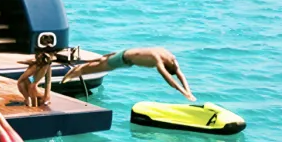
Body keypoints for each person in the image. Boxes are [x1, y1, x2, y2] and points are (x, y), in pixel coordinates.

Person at [62, 47, 195, 100]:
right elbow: (168, 78)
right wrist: (183, 92)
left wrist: (188, 91)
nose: (177, 64)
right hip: (123, 59)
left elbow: (180, 75)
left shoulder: (169, 57)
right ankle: (76, 71)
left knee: (102, 60)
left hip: (127, 55)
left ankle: (81, 65)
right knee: (99, 67)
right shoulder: (157, 59)